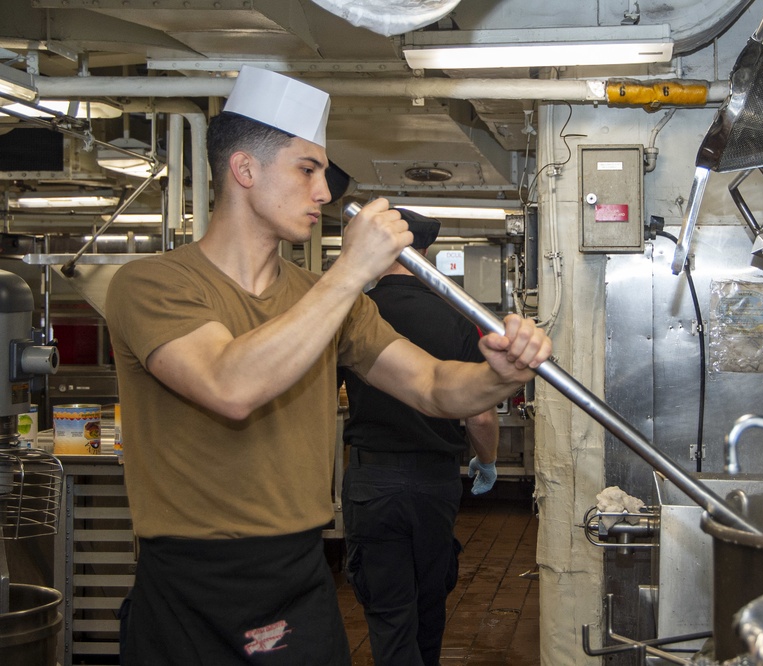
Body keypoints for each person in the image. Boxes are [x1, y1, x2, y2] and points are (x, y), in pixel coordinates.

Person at [104, 65, 551, 665]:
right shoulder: (153, 284)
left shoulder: (327, 301)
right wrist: (349, 273)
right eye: (307, 169)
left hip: (299, 575)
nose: (324, 192)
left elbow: (435, 386)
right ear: (244, 169)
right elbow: (228, 385)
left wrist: (501, 374)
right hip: (191, 583)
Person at [339, 208, 500, 666]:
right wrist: (486, 463)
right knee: (430, 604)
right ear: (424, 254)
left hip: (373, 481)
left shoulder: (353, 313)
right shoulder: (456, 319)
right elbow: (482, 417)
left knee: (389, 614)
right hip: (434, 484)